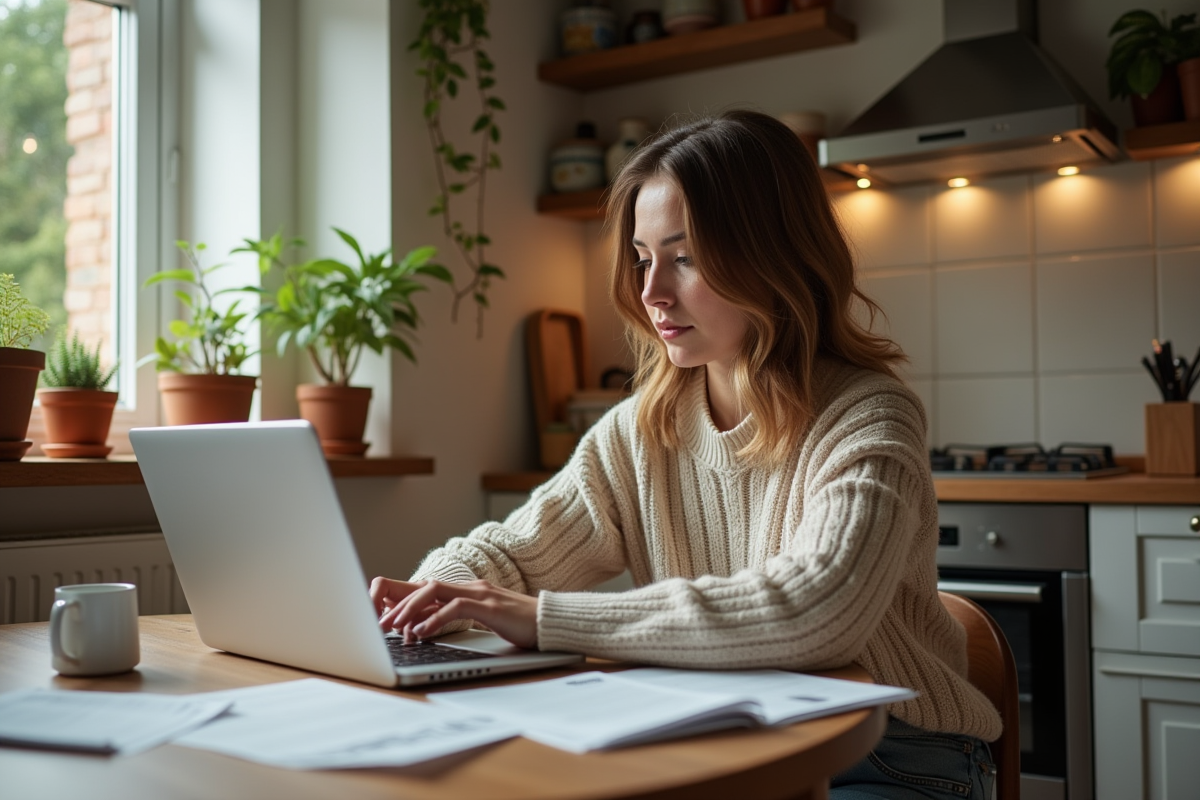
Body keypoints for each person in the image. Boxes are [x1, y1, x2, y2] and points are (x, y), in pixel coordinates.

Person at [370, 109, 1001, 799]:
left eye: (685, 257)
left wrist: (544, 618)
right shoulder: (641, 430)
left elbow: (819, 610)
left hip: (889, 753)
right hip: (720, 740)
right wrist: (423, 601)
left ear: (772, 253)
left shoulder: (868, 415)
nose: (650, 293)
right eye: (643, 259)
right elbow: (514, 554)